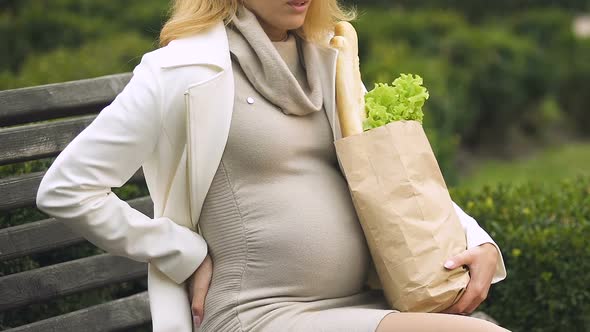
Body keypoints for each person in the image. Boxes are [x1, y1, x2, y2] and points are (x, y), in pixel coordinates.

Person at [36, 0, 508, 331]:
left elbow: (391, 172)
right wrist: (183, 251)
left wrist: (477, 241)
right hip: (259, 314)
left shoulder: (331, 61)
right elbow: (66, 187)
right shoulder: (180, 71)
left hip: (366, 300)